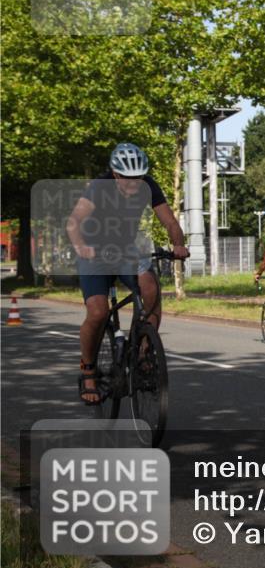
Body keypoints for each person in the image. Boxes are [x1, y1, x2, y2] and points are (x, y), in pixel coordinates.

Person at [65, 143, 189, 404]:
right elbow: (74, 221)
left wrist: (178, 244)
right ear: (115, 174)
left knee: (151, 289)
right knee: (98, 312)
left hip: (125, 250)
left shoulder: (149, 185)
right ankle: (89, 370)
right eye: (128, 179)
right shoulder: (99, 187)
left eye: (139, 178)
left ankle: (145, 352)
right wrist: (80, 247)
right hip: (94, 251)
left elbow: (169, 221)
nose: (134, 185)